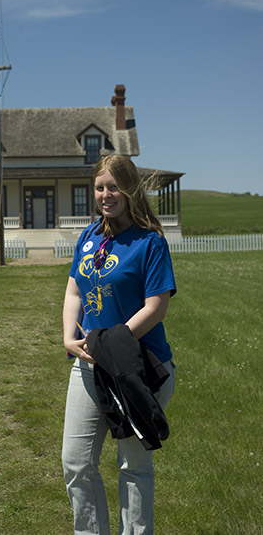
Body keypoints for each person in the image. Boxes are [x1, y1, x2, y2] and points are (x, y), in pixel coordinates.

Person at [62, 155, 177, 535]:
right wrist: (68, 335)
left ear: (129, 189)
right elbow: (75, 286)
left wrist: (115, 341)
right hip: (90, 365)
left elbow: (156, 307)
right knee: (76, 463)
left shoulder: (150, 241)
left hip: (137, 368)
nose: (106, 195)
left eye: (114, 187)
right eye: (99, 187)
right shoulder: (89, 235)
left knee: (133, 466)